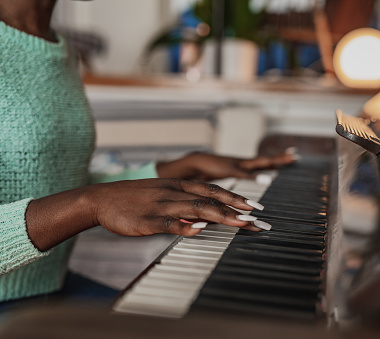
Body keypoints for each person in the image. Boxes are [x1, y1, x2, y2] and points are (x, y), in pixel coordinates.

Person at [0, 0, 295, 304]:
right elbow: (81, 200)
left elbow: (47, 180)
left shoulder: (56, 45)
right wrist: (90, 204)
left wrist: (171, 173)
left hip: (50, 288)